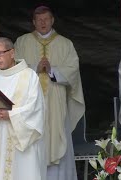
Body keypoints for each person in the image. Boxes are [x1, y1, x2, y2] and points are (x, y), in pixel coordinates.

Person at [14, 6, 85, 180]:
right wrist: (34, 68)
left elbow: (73, 70)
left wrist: (53, 72)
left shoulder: (65, 43)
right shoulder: (22, 42)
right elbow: (14, 69)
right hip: (30, 104)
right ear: (33, 22)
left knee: (57, 143)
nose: (43, 23)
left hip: (56, 102)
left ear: (52, 20)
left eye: (46, 19)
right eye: (39, 20)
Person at [0, 37, 46, 180]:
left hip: (21, 142)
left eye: (0, 53)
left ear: (12, 53)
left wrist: (11, 115)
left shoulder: (29, 76)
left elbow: (36, 108)